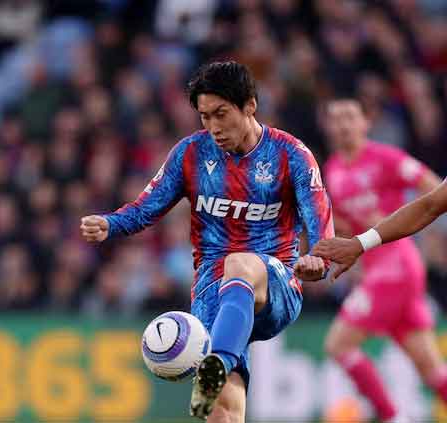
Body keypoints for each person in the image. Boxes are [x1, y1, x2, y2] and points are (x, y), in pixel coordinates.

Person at [80, 61, 334, 421]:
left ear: (250, 105)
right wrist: (110, 224)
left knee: (239, 263)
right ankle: (219, 369)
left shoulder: (290, 154)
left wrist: (317, 260)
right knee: (222, 412)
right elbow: (145, 209)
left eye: (221, 114)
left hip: (275, 284)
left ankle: (217, 360)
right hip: (213, 291)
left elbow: (321, 224)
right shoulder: (190, 154)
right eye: (204, 117)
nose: (213, 127)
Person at [316, 99, 447, 423]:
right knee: (430, 368)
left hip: (398, 265)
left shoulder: (385, 158)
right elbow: (347, 225)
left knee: (338, 345)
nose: (344, 124)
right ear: (327, 127)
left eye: (350, 117)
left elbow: (432, 188)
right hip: (377, 269)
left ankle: (392, 417)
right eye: (336, 118)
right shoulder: (332, 169)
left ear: (365, 122)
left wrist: (418, 232)